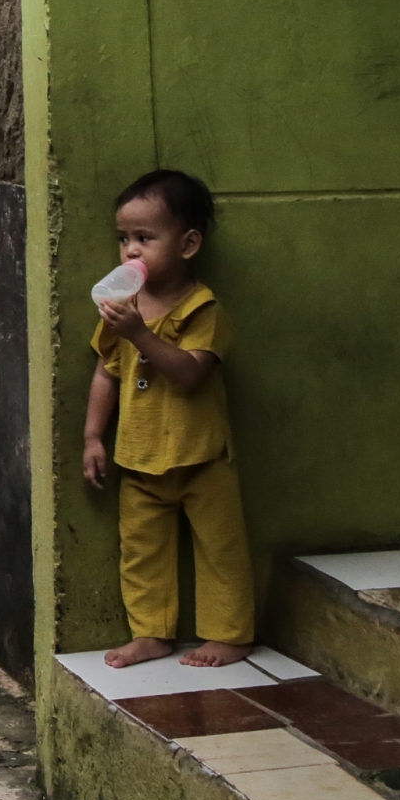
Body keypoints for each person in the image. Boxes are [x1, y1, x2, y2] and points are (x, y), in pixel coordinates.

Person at [84, 169, 249, 668]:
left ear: (188, 244)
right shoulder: (120, 308)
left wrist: (141, 335)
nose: (131, 251)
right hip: (138, 456)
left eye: (145, 238)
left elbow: (191, 374)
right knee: (142, 552)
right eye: (124, 239)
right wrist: (93, 436)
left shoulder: (203, 308)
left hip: (201, 457)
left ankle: (230, 634)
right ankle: (151, 632)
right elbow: (105, 374)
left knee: (221, 549)